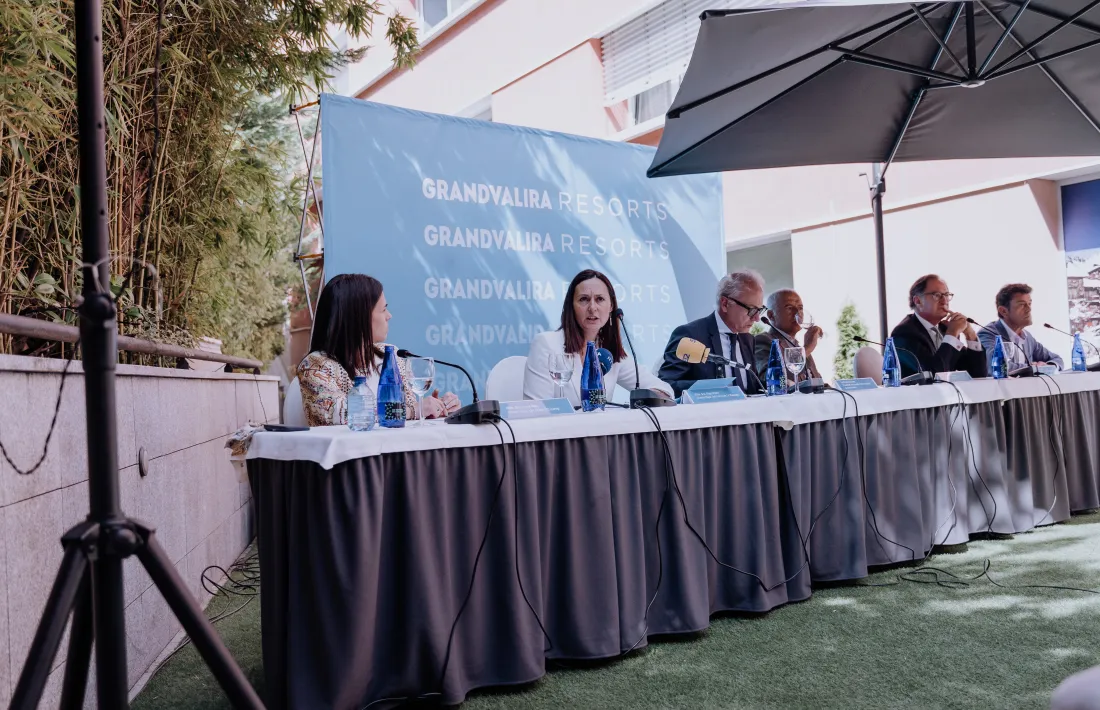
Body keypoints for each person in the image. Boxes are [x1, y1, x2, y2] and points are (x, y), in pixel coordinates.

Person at [298, 273, 461, 427]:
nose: (389, 316)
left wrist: (435, 407)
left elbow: (413, 408)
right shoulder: (315, 366)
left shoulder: (390, 355)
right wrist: (413, 411)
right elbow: (341, 413)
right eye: (383, 310)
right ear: (359, 317)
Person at [523, 269, 670, 406]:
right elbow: (536, 409)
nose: (592, 308)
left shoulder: (609, 353)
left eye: (599, 299)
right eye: (584, 299)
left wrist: (643, 400)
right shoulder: (546, 344)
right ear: (571, 306)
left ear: (611, 306)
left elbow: (664, 390)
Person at [659, 270, 766, 395]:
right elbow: (665, 385)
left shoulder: (747, 339)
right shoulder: (689, 335)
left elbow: (752, 387)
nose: (757, 318)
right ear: (725, 303)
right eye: (752, 310)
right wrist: (709, 388)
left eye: (759, 310)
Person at [890, 274, 988, 379]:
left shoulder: (944, 329)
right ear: (918, 301)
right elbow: (932, 376)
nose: (944, 301)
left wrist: (970, 334)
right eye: (936, 295)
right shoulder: (905, 332)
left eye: (946, 295)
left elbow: (978, 374)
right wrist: (951, 334)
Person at [978, 283, 1064, 371]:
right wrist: (1033, 368)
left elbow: (1057, 359)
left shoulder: (1027, 337)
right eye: (1022, 305)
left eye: (1029, 304)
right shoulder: (988, 334)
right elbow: (997, 366)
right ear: (1003, 311)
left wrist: (1048, 366)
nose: (1029, 309)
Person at [753, 288, 823, 383]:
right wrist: (807, 349)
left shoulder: (797, 345)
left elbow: (817, 383)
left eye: (800, 308)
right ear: (771, 315)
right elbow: (770, 378)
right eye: (789, 308)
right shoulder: (763, 340)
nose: (797, 313)